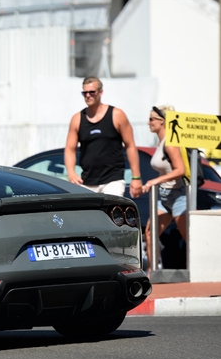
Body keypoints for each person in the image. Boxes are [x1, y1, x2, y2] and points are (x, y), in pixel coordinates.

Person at [64, 76, 143, 198]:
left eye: (92, 92)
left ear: (100, 92)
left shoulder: (117, 115)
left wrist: (136, 177)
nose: (88, 96)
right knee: (89, 216)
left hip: (113, 180)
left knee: (109, 214)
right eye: (84, 93)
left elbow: (130, 145)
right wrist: (71, 172)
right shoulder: (77, 119)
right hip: (87, 181)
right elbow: (70, 149)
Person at [142, 105, 187, 272]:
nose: (148, 123)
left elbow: (180, 170)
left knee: (190, 238)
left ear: (162, 121)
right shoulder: (161, 142)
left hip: (178, 196)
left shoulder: (170, 142)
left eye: (152, 119)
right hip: (164, 197)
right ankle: (154, 274)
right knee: (150, 233)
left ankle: (204, 272)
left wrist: (155, 181)